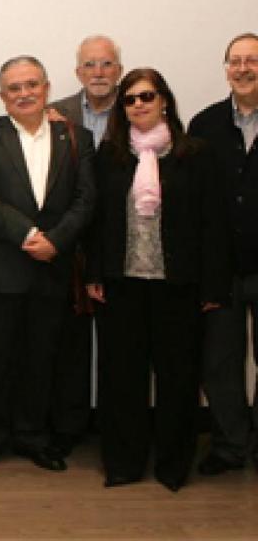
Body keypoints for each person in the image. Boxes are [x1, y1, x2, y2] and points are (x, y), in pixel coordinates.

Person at [87, 68, 229, 491]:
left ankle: (172, 466)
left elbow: (212, 225)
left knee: (178, 379)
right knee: (122, 379)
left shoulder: (195, 154)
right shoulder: (109, 155)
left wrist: (212, 286)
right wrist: (95, 272)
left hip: (178, 285)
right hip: (122, 283)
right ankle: (125, 464)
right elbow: (97, 222)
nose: (139, 105)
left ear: (164, 99)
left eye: (147, 96)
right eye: (129, 99)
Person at [0, 56, 95, 475]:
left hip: (51, 268)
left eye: (31, 85)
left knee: (42, 359)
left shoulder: (76, 137)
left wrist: (55, 241)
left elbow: (86, 199)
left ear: (47, 87)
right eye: (14, 88)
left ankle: (33, 436)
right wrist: (27, 235)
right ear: (2, 97)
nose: (24, 94)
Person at [48, 35, 124, 455]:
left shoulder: (137, 111)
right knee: (69, 346)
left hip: (120, 244)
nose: (98, 72)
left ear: (119, 70)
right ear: (78, 72)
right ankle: (68, 428)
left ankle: (118, 431)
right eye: (90, 65)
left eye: (107, 64)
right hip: (70, 246)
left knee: (119, 345)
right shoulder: (55, 114)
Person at [188, 32, 258, 476]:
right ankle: (231, 444)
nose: (243, 68)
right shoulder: (205, 124)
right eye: (235, 61)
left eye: (252, 60)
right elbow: (192, 200)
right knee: (219, 362)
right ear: (225, 68)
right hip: (220, 268)